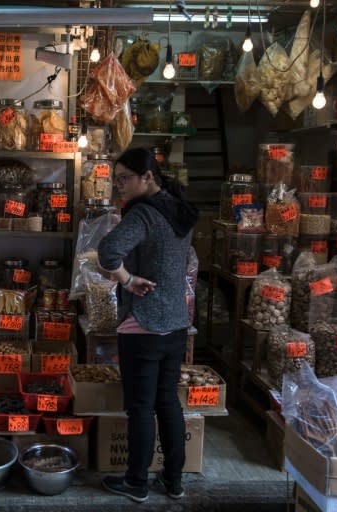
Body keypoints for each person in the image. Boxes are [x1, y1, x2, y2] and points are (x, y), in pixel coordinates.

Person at [97, 147, 198, 503]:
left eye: (124, 179)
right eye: (115, 179)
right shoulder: (178, 210)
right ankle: (173, 481)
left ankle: (137, 482)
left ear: (147, 177)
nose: (118, 186)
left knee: (140, 406)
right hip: (175, 323)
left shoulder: (143, 214)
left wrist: (127, 280)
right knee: (168, 402)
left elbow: (108, 251)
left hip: (142, 324)